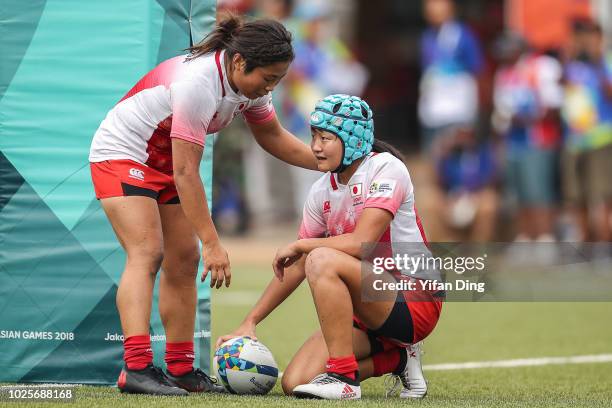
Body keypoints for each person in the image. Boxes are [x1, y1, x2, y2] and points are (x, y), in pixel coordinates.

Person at [88, 14, 317, 396]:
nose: (270, 87)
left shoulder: (251, 86)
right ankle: (137, 369)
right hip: (122, 154)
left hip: (165, 163)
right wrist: (212, 243)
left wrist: (329, 161)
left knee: (183, 260)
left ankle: (180, 369)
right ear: (240, 62)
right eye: (269, 78)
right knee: (148, 252)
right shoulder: (198, 84)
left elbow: (272, 135)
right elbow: (186, 173)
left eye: (277, 79)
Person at [218, 94, 442, 400]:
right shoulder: (321, 190)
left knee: (321, 258)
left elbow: (358, 242)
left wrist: (303, 245)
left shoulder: (387, 168)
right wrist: (250, 321)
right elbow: (296, 265)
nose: (315, 146)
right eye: (313, 136)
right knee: (295, 382)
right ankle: (399, 359)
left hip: (415, 299)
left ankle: (343, 378)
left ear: (353, 140)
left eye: (326, 137)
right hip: (368, 308)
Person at [492, 33, 563, 243]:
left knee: (539, 192)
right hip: (513, 143)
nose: (503, 55)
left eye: (508, 50)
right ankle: (525, 236)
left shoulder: (541, 67)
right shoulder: (503, 74)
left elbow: (554, 108)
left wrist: (524, 119)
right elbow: (501, 112)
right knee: (518, 193)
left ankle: (545, 236)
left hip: (537, 141)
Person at [561, 21, 612, 247]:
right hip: (574, 140)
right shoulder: (572, 65)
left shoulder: (606, 63)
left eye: (588, 37)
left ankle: (605, 243)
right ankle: (585, 244)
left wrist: (598, 62)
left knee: (603, 195)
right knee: (576, 196)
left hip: (601, 138)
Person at [419, 0, 484, 152]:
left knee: (457, 150)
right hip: (434, 105)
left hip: (458, 105)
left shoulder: (463, 35)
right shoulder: (427, 37)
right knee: (434, 151)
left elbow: (477, 68)